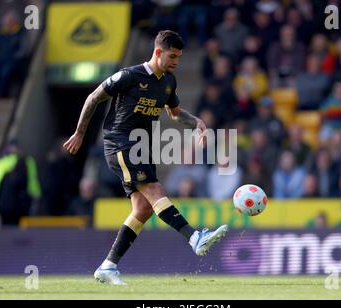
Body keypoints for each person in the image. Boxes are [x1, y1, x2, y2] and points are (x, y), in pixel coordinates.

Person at [63, 30, 228, 285]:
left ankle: (108, 266)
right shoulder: (129, 76)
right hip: (119, 142)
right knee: (154, 188)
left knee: (143, 208)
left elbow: (174, 114)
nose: (176, 61)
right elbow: (94, 97)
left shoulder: (168, 82)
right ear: (158, 51)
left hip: (142, 147)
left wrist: (195, 121)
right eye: (172, 56)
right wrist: (79, 133)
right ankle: (195, 238)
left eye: (179, 57)